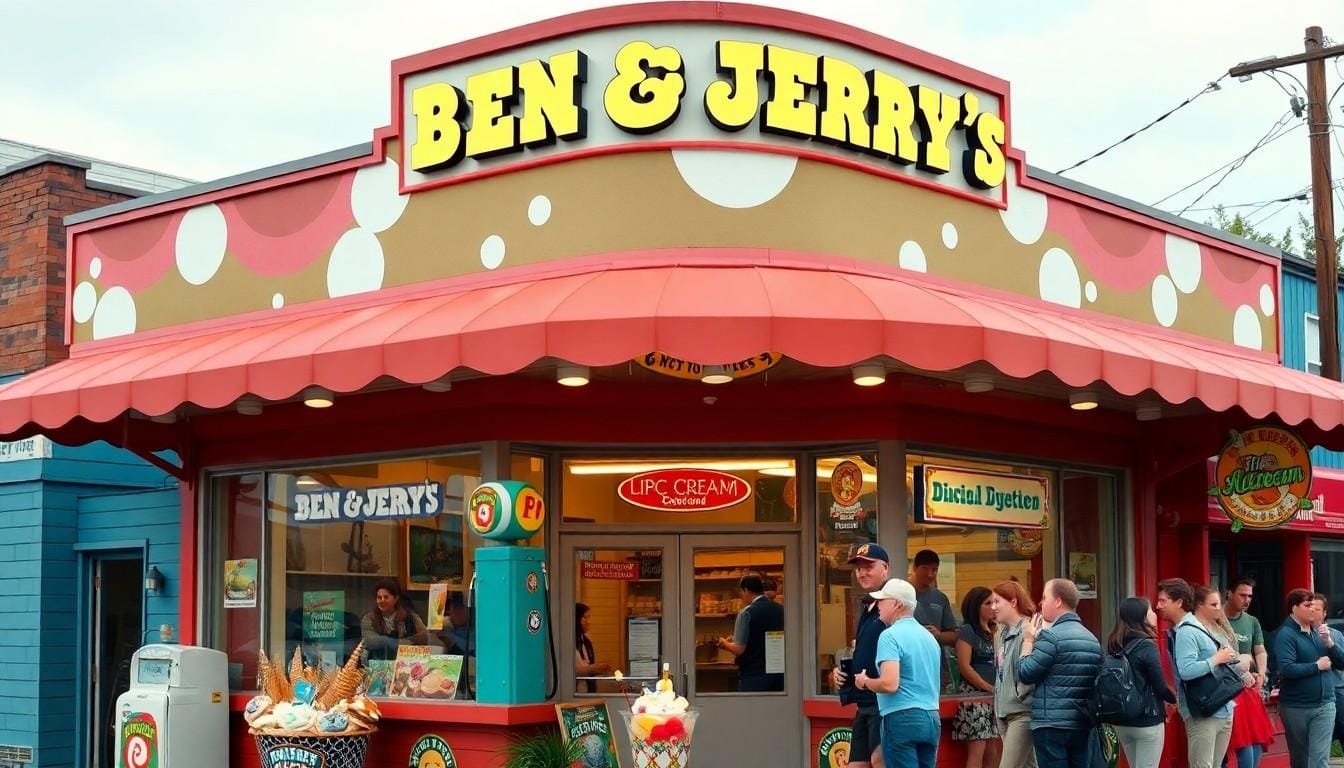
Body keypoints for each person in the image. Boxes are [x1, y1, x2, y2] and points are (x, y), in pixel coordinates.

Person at [854, 578, 943, 768]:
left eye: (882, 600)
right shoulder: (929, 638)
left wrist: (865, 681)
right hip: (932, 717)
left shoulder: (889, 636)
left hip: (901, 717)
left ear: (896, 604)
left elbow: (889, 684)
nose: (878, 605)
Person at [1017, 578, 1102, 768]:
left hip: (1051, 724)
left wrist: (1028, 640)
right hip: (1082, 723)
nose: (1041, 603)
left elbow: (1026, 672)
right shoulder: (1092, 639)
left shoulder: (1050, 637)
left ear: (1058, 601)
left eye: (1044, 598)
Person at [1158, 579, 1234, 768]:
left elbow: (1186, 671)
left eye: (1163, 601)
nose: (1158, 606)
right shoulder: (1192, 628)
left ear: (1179, 602)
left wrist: (1217, 658)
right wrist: (1217, 658)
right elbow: (1187, 671)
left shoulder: (1187, 630)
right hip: (1212, 708)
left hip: (1210, 710)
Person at [830, 543, 892, 768]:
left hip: (884, 703)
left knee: (881, 761)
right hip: (864, 703)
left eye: (868, 567)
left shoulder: (893, 605)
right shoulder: (868, 606)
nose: (862, 573)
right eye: (858, 568)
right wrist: (841, 672)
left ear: (885, 568)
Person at [1274, 588, 1344, 768]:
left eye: (1313, 605)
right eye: (1307, 605)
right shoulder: (1285, 635)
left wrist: (1330, 643)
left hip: (1325, 703)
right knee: (1301, 759)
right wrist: (1316, 666)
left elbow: (1341, 663)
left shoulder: (1319, 632)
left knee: (1319, 760)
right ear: (1294, 608)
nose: (1312, 609)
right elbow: (1286, 669)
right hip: (1296, 706)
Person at [1104, 597, 1176, 768]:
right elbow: (1159, 686)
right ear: (1142, 617)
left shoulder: (1114, 643)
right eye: (1150, 611)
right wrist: (1174, 699)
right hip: (1147, 720)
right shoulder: (1147, 646)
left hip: (1122, 720)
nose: (1154, 614)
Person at [990, 580, 1037, 768]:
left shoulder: (1028, 631)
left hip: (1022, 712)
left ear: (1013, 602)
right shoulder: (1000, 635)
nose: (993, 607)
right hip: (1003, 711)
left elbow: (1031, 671)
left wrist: (1021, 694)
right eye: (991, 602)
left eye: (997, 601)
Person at [954, 586, 1001, 768]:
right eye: (987, 603)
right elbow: (965, 667)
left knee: (993, 749)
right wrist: (987, 687)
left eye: (995, 602)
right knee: (977, 751)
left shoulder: (995, 630)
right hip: (974, 696)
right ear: (976, 606)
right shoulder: (968, 631)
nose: (993, 607)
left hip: (993, 696)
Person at [718, 573, 784, 691]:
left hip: (753, 676)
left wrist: (725, 644)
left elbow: (739, 649)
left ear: (746, 590)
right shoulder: (781, 610)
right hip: (778, 675)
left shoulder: (746, 612)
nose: (741, 596)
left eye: (741, 592)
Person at [360, 578, 429, 660]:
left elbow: (424, 637)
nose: (382, 600)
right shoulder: (369, 618)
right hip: (377, 662)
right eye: (379, 597)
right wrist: (395, 642)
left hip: (405, 662)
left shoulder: (411, 617)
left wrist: (393, 643)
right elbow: (369, 641)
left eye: (386, 597)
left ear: (396, 598)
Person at [1313, 593, 1344, 758]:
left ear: (1325, 613)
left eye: (1317, 609)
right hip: (1314, 693)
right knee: (1318, 745)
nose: (1312, 612)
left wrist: (1330, 644)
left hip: (1338, 690)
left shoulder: (1336, 634)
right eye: (1309, 608)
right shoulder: (1298, 634)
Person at [910, 549, 957, 646]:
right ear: (915, 567)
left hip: (935, 653)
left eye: (934, 569)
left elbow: (953, 635)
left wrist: (939, 635)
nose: (930, 574)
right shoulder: (901, 593)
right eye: (925, 568)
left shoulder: (940, 598)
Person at [575, 602, 610, 693]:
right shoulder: (568, 643)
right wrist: (592, 669)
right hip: (576, 693)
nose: (588, 622)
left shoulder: (586, 642)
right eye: (585, 618)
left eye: (589, 618)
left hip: (588, 692)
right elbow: (572, 671)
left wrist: (597, 668)